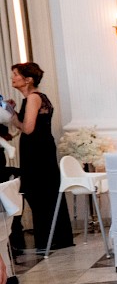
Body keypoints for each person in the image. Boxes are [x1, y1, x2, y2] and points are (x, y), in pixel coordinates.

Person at [5, 62, 74, 251]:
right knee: (43, 193)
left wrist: (12, 117)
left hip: (37, 153)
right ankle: (53, 238)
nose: (13, 78)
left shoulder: (34, 98)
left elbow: (27, 128)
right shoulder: (34, 98)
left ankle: (49, 239)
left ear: (28, 80)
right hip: (39, 150)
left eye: (16, 74)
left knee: (39, 193)